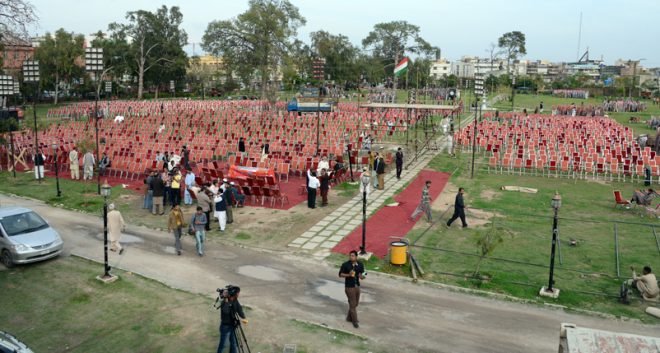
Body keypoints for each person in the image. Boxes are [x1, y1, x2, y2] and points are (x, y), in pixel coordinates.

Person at [216, 286, 247, 353]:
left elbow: (239, 309)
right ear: (235, 293)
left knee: (234, 343)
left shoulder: (235, 300)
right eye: (238, 293)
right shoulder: (224, 301)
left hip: (232, 325)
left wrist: (244, 317)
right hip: (225, 326)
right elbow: (226, 311)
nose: (239, 294)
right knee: (222, 345)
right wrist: (226, 299)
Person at [338, 250, 365, 329]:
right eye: (350, 255)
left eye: (353, 256)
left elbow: (362, 274)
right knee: (352, 305)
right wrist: (348, 275)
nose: (351, 257)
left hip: (357, 286)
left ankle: (349, 318)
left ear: (356, 257)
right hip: (349, 287)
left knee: (355, 304)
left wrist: (362, 276)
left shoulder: (360, 264)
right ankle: (355, 321)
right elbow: (340, 274)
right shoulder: (345, 265)